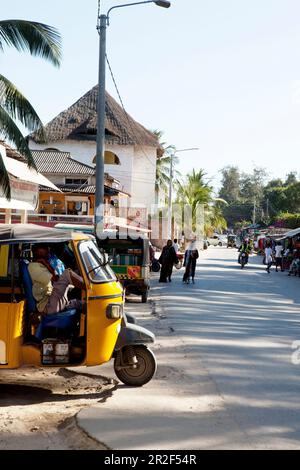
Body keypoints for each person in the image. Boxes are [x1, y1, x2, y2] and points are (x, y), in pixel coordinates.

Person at [28, 245, 84, 315]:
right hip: (48, 305)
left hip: (53, 300)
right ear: (38, 253)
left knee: (81, 304)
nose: (48, 251)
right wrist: (47, 264)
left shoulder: (42, 264)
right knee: (67, 273)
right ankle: (91, 288)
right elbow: (55, 279)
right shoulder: (34, 267)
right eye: (46, 250)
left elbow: (56, 278)